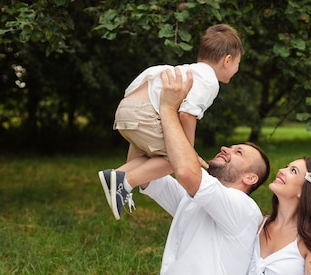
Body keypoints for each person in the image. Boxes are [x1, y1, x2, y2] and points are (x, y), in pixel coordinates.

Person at [59, 67, 270, 275]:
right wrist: (148, 111)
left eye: (239, 152)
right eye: (232, 145)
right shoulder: (196, 198)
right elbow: (148, 170)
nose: (227, 148)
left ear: (250, 179)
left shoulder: (243, 210)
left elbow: (186, 170)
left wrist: (172, 108)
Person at [99, 23, 244, 220]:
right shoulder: (209, 80)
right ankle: (126, 182)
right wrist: (188, 151)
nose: (237, 69)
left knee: (159, 155)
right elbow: (187, 114)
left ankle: (116, 176)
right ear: (227, 60)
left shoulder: (188, 70)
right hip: (145, 113)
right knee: (175, 159)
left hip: (127, 109)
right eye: (238, 64)